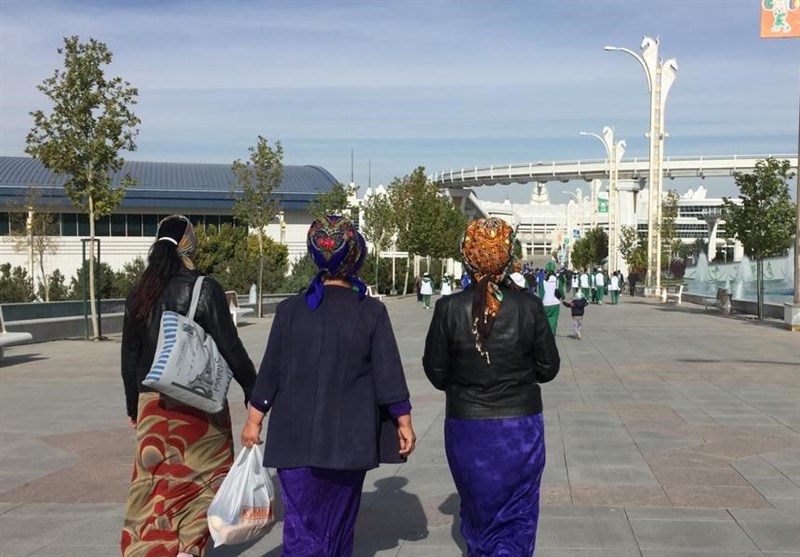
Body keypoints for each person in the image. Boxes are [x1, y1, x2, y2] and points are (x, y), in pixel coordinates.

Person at [241, 216, 416, 557]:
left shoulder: (290, 310)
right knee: (338, 525)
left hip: (293, 441)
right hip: (348, 443)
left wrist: (253, 421)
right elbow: (388, 373)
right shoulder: (371, 311)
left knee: (300, 525)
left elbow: (270, 371)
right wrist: (403, 420)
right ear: (356, 255)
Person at [121, 215, 257, 557]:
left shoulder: (140, 292)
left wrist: (133, 405)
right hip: (196, 400)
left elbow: (129, 356)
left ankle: (150, 548)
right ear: (188, 244)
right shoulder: (203, 288)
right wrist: (253, 390)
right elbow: (230, 346)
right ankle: (188, 547)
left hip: (152, 404)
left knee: (153, 481)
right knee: (205, 476)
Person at [423, 217, 560, 556]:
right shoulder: (529, 305)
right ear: (507, 255)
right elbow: (548, 368)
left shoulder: (449, 308)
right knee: (519, 508)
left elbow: (437, 373)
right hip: (521, 427)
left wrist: (466, 381)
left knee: (477, 506)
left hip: (467, 425)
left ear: (467, 255)